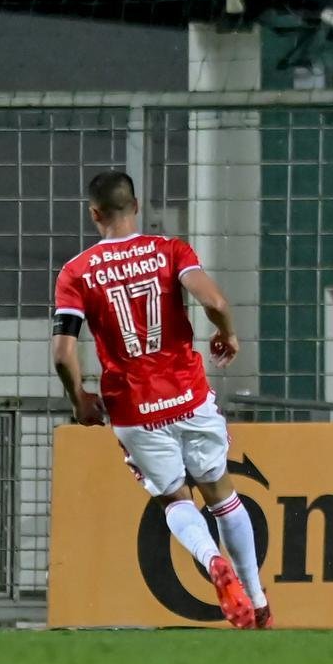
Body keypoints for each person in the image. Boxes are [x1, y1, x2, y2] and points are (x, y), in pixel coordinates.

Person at [51, 171, 271, 630]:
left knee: (175, 499)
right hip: (188, 396)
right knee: (222, 493)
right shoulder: (169, 250)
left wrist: (80, 402)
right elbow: (212, 298)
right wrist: (226, 332)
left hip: (133, 407)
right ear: (136, 205)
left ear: (95, 214)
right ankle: (258, 601)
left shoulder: (76, 272)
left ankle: (212, 561)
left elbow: (62, 353)